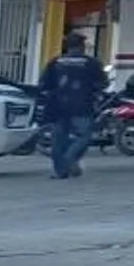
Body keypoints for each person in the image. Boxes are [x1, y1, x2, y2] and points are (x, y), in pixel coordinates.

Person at [35, 32, 106, 180]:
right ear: (82, 46)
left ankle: (60, 171)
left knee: (58, 138)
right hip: (82, 106)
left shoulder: (55, 62)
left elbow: (44, 84)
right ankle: (69, 159)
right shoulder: (91, 63)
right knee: (83, 137)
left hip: (58, 106)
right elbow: (102, 83)